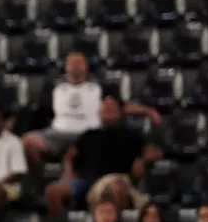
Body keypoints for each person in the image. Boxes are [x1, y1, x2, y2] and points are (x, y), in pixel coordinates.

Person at [22, 53, 161, 166]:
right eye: (72, 63)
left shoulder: (99, 87)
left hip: (90, 135)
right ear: (66, 67)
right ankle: (43, 178)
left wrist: (148, 111)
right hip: (58, 134)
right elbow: (41, 110)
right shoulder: (55, 88)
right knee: (28, 141)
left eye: (79, 63)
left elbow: (119, 108)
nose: (76, 67)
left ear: (85, 67)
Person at [44, 95, 158, 216]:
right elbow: (69, 156)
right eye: (105, 110)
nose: (108, 112)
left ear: (120, 112)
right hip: (87, 182)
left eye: (112, 110)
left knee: (116, 189)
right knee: (53, 192)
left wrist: (142, 160)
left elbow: (153, 152)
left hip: (117, 179)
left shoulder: (132, 135)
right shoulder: (88, 135)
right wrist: (69, 175)